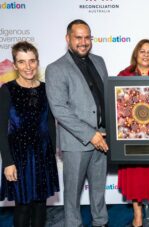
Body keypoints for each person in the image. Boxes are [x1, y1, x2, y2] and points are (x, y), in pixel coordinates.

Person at [45, 19, 109, 227]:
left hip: (103, 137)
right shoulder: (55, 68)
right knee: (72, 194)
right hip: (76, 142)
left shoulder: (99, 61)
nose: (83, 42)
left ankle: (101, 222)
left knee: (99, 189)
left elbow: (105, 97)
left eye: (87, 37)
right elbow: (60, 110)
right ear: (68, 39)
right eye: (78, 37)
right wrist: (91, 134)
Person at [0, 41, 59, 227]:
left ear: (37, 62)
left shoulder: (45, 88)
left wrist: (52, 149)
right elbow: (1, 128)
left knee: (41, 205)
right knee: (23, 206)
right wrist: (8, 161)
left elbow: (50, 121)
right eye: (22, 62)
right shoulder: (7, 90)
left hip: (42, 155)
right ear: (15, 65)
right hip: (19, 157)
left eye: (32, 61)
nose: (28, 67)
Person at [117, 39, 149, 227]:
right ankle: (137, 215)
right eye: (142, 51)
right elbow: (118, 107)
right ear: (136, 54)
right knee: (135, 177)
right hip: (132, 137)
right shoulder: (124, 75)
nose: (146, 55)